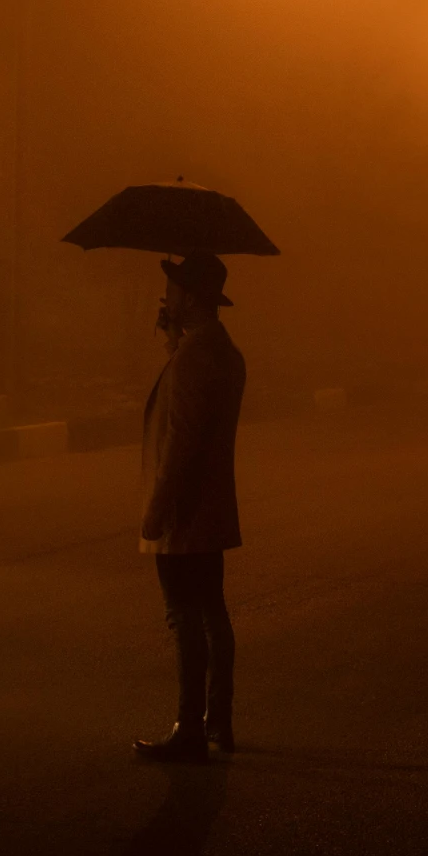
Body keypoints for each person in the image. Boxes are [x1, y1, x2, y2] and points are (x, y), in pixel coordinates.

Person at [133, 250, 246, 763]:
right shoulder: (221, 349)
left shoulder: (197, 356)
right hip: (211, 503)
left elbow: (181, 439)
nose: (166, 295)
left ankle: (190, 727)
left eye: (175, 288)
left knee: (185, 615)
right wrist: (173, 341)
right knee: (211, 613)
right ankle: (216, 719)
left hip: (185, 508)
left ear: (193, 297)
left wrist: (157, 508)